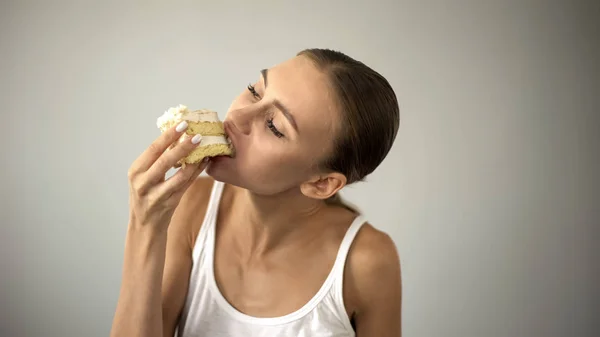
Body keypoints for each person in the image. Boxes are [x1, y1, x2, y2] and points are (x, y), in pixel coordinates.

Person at [110, 48, 402, 337]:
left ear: (321, 183)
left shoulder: (367, 261)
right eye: (255, 91)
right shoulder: (192, 207)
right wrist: (144, 226)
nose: (237, 117)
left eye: (274, 126)